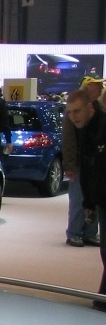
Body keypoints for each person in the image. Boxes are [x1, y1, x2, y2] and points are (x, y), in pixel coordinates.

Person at [67, 88, 106, 311]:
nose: (74, 116)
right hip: (101, 199)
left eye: (77, 111)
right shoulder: (84, 131)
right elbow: (89, 170)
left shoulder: (103, 127)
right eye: (70, 112)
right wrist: (89, 203)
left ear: (90, 108)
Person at [62, 76, 104, 247]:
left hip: (95, 167)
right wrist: (70, 164)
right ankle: (74, 232)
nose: (100, 89)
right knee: (78, 200)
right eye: (96, 86)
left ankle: (90, 232)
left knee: (94, 199)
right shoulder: (75, 112)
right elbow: (69, 140)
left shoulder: (99, 110)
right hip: (80, 164)